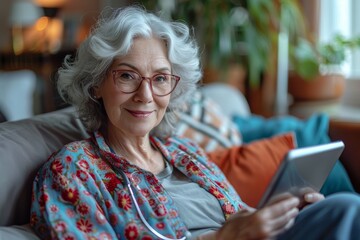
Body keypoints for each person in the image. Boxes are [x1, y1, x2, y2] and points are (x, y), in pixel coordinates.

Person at [30, 5, 360, 240]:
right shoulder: (73, 169)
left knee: (342, 208)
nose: (145, 94)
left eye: (160, 79)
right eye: (127, 76)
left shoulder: (187, 153)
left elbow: (241, 216)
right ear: (96, 85)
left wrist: (286, 213)